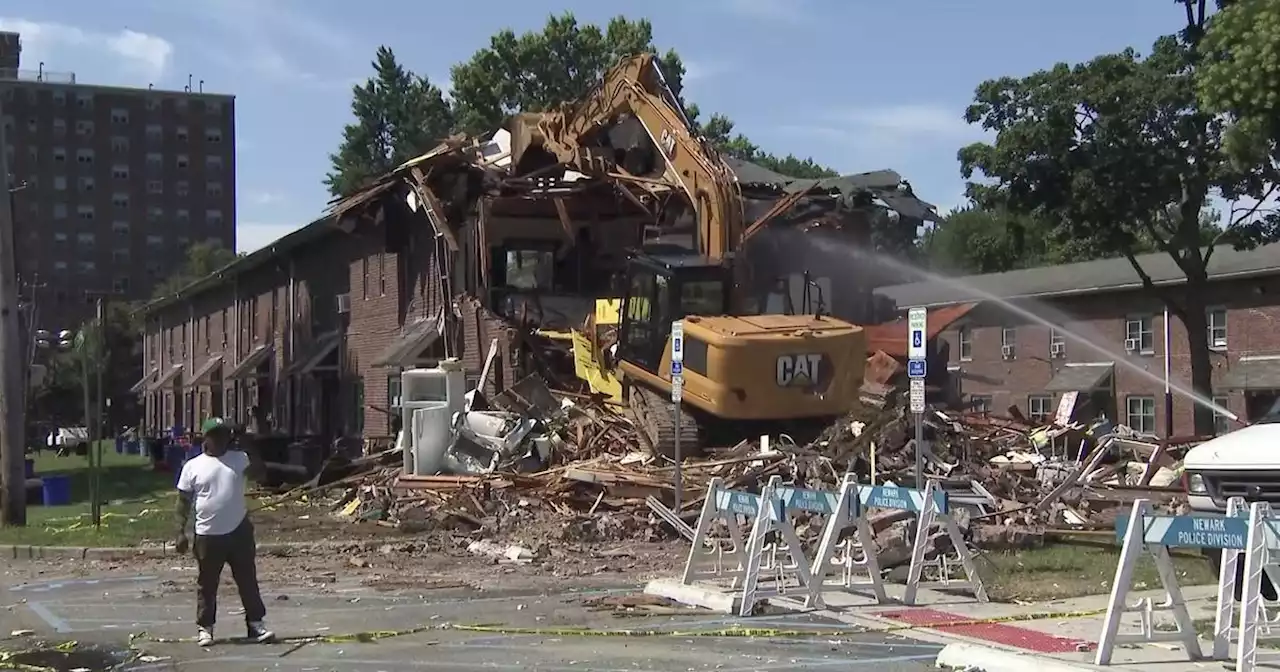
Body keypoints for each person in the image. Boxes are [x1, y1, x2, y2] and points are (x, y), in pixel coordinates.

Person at [175, 417, 275, 647]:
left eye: (224, 434)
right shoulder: (193, 466)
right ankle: (205, 627)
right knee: (207, 583)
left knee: (247, 579)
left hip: (238, 530)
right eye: (216, 435)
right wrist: (180, 531)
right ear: (206, 438)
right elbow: (182, 502)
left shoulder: (240, 459)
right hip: (207, 534)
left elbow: (261, 475)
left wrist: (250, 446)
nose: (221, 439)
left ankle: (255, 624)